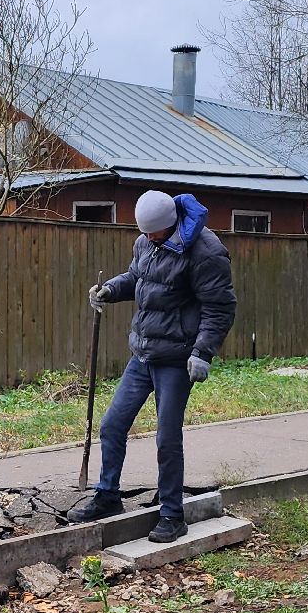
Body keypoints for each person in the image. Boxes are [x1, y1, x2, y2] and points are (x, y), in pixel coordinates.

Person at [68, 190, 236, 542]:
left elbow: (220, 307)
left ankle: (173, 515)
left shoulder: (205, 251)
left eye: (153, 234)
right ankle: (108, 496)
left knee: (167, 437)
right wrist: (110, 290)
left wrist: (203, 353)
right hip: (143, 353)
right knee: (113, 424)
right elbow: (138, 278)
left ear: (171, 224)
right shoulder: (147, 241)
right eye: (143, 233)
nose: (147, 239)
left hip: (177, 359)